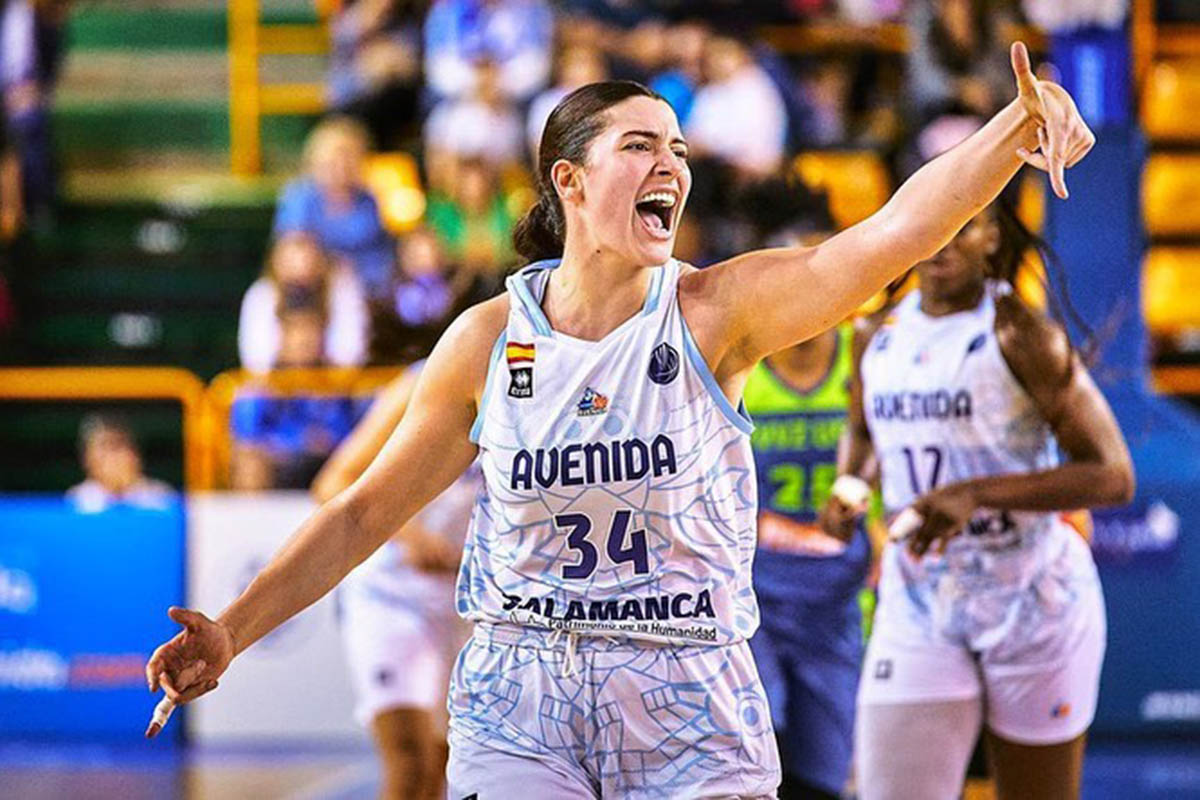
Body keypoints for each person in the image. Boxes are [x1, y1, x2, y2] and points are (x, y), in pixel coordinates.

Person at [145, 43, 1096, 797]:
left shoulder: (717, 313)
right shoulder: (487, 341)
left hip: (689, 692)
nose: (670, 164)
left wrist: (1013, 129)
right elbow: (359, 514)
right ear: (569, 181)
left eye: (677, 148)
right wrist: (231, 631)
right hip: (523, 695)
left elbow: (893, 233)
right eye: (641, 145)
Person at [828, 200, 1134, 800]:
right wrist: (852, 484)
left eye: (960, 227)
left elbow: (1113, 475)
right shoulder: (874, 334)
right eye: (930, 225)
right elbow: (863, 430)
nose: (940, 241)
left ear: (991, 238)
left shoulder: (1021, 334)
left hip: (1032, 598)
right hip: (920, 598)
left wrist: (976, 494)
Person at [312, 364, 479, 800]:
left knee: (443, 769)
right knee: (410, 761)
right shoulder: (426, 380)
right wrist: (410, 535)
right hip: (392, 593)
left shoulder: (541, 382)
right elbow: (334, 481)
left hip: (467, 603)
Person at [745, 321, 871, 800]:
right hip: (753, 601)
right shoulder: (738, 361)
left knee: (825, 775)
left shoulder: (862, 355)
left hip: (837, 602)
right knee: (754, 743)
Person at [273, 116, 395, 299]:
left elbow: (379, 257)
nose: (341, 166)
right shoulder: (299, 197)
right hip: (311, 292)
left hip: (364, 292)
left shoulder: (368, 201)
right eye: (334, 159)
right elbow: (293, 253)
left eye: (349, 157)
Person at [237, 231, 369, 374]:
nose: (300, 276)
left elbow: (349, 356)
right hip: (275, 381)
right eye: (291, 264)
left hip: (332, 381)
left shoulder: (340, 291)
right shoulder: (262, 296)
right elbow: (256, 362)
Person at [67, 413, 175, 513]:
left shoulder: (160, 496)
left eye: (117, 446)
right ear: (87, 458)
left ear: (135, 455)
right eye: (104, 446)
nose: (112, 458)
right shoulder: (77, 499)